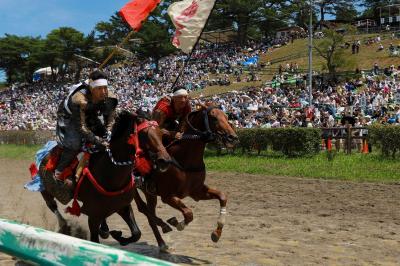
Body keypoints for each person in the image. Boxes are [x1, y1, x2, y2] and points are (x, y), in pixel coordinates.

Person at [54, 70, 118, 185]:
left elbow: (111, 119)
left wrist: (108, 132)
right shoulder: (78, 98)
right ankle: (59, 171)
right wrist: (97, 140)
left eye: (105, 87)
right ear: (92, 89)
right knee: (75, 143)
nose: (104, 92)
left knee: (108, 136)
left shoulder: (110, 97)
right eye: (99, 88)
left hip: (92, 114)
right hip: (71, 116)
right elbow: (82, 127)